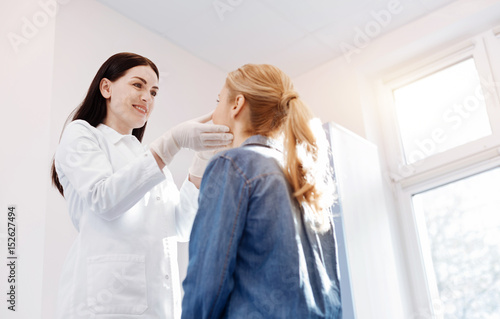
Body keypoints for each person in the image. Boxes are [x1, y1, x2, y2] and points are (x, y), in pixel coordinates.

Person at [51, 52, 233, 319]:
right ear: (106, 87)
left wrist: (201, 162)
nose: (148, 97)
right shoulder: (82, 134)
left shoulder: (147, 157)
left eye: (154, 92)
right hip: (105, 304)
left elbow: (181, 227)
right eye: (138, 85)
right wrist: (170, 144)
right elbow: (104, 200)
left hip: (159, 306)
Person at [181, 64, 342, 318]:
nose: (214, 113)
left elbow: (207, 279)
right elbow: (331, 286)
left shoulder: (234, 165)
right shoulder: (302, 176)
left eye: (218, 100)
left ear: (237, 104)